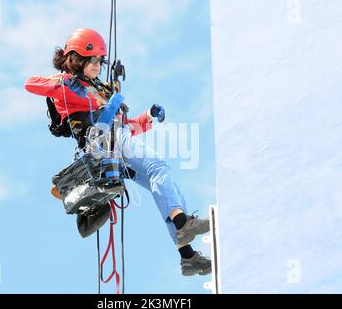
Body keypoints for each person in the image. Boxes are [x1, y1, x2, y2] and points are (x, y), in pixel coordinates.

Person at [24, 28, 212, 276]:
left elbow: (125, 127)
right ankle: (182, 223)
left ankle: (187, 257)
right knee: (158, 166)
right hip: (104, 142)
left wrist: (148, 117)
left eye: (99, 61)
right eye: (92, 61)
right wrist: (63, 81)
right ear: (76, 59)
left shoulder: (99, 90)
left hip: (115, 145)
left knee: (167, 189)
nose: (97, 66)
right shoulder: (69, 88)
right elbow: (30, 83)